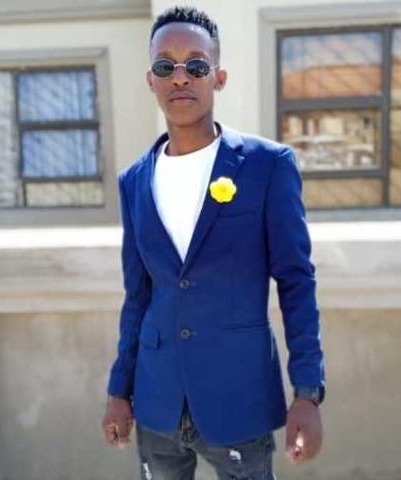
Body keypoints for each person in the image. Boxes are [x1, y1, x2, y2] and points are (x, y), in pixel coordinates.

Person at [102, 6, 325, 479]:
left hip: (238, 397)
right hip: (157, 400)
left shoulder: (267, 166)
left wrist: (307, 392)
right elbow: (138, 295)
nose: (180, 77)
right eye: (166, 65)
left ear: (218, 78)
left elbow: (296, 282)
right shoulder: (134, 181)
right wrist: (119, 390)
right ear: (151, 80)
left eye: (196, 66)